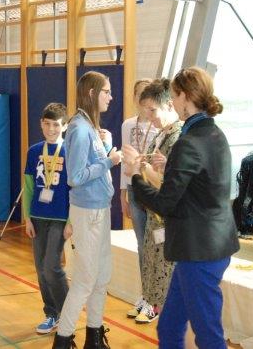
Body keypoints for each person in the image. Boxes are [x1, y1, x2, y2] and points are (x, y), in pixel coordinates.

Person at [123, 67, 239, 349]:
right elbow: (201, 185)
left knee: (208, 335)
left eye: (174, 96)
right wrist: (170, 168)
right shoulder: (214, 133)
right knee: (170, 326)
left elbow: (165, 203)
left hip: (199, 251)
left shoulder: (188, 142)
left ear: (185, 97)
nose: (173, 103)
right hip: (209, 245)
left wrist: (136, 176)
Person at [53, 71, 123, 349]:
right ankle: (63, 339)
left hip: (100, 209)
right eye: (106, 91)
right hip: (88, 211)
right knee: (85, 279)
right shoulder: (80, 129)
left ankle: (94, 336)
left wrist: (105, 147)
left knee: (102, 276)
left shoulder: (89, 126)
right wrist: (109, 161)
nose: (111, 97)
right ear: (92, 93)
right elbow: (76, 177)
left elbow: (90, 164)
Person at [131, 78, 183, 324]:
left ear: (169, 105)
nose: (149, 117)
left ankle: (167, 319)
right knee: (154, 267)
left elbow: (167, 184)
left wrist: (141, 169)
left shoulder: (178, 137)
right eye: (146, 112)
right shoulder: (162, 135)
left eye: (153, 111)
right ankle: (153, 306)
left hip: (168, 220)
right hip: (155, 215)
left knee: (168, 275)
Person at [23, 103, 72, 334]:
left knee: (52, 265)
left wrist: (71, 221)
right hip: (37, 217)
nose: (51, 129)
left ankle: (67, 313)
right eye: (47, 124)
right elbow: (29, 186)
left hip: (60, 218)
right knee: (41, 268)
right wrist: (27, 218)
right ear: (41, 124)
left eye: (56, 125)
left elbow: (75, 189)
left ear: (65, 126)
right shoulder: (34, 151)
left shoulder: (70, 151)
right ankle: (51, 313)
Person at [120, 78, 159, 319]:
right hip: (134, 189)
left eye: (148, 95)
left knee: (155, 244)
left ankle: (155, 300)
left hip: (153, 190)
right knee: (141, 244)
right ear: (135, 98)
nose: (144, 100)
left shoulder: (159, 125)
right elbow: (125, 162)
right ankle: (146, 294)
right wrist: (123, 193)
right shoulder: (128, 125)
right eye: (140, 95)